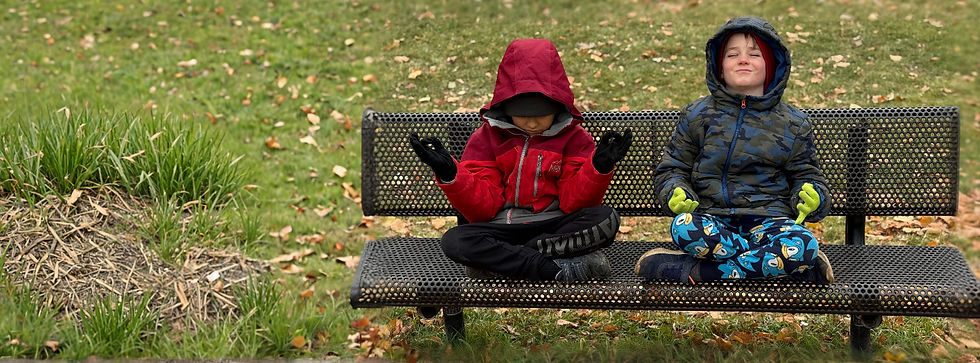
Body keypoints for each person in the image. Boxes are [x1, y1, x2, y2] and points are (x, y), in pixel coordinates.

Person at [409, 38, 633, 282]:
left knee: (607, 219)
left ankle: (502, 263)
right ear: (506, 107)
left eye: (541, 113)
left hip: (554, 228)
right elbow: (483, 208)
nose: (533, 122)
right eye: (522, 113)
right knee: (455, 241)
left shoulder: (574, 138)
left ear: (558, 107)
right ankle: (555, 269)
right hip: (502, 229)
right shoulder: (486, 139)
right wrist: (450, 173)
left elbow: (573, 204)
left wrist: (597, 168)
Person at [634, 16, 834, 284]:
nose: (743, 59)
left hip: (771, 222)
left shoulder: (792, 123)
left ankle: (700, 272)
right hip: (713, 222)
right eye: (732, 54)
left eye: (754, 54)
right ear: (719, 66)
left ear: (772, 66)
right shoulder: (697, 115)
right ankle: (783, 268)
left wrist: (811, 196)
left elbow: (808, 176)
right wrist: (675, 191)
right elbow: (673, 168)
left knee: (803, 243)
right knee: (683, 228)